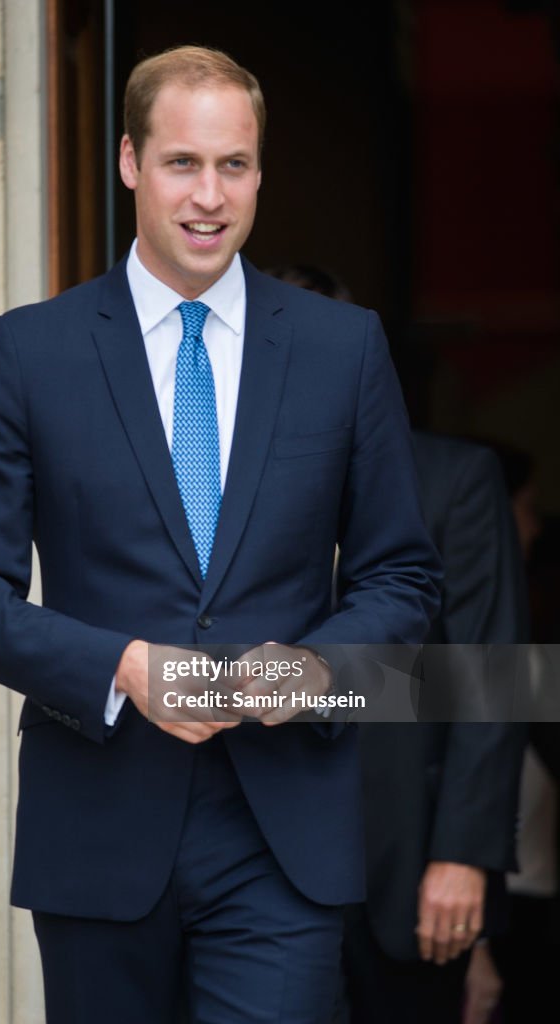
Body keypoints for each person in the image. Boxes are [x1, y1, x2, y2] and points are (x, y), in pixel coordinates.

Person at [0, 47, 441, 1024]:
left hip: (282, 833)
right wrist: (119, 664)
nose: (209, 195)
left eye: (232, 164)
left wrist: (313, 671)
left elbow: (401, 578)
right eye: (181, 163)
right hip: (99, 831)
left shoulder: (342, 348)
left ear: (258, 171)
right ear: (128, 161)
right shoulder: (29, 351)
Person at [266, 266, 527, 1024]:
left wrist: (464, 854)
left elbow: (493, 677)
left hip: (409, 868)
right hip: (252, 863)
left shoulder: (454, 478)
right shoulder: (204, 484)